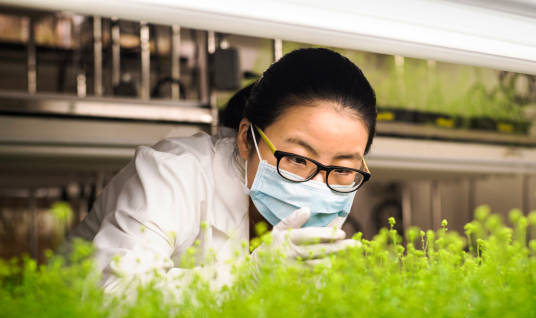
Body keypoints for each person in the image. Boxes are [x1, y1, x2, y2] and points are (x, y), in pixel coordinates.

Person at [68, 47, 377, 292]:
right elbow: (110, 297)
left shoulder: (322, 226)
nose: (318, 186)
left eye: (342, 169)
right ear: (246, 139)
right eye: (297, 159)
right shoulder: (173, 174)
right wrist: (248, 279)